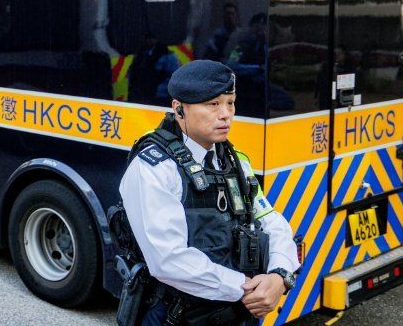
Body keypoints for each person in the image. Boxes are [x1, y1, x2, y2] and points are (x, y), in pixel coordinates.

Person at [119, 60, 300, 325]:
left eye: (231, 102)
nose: (226, 114)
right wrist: (245, 288)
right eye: (213, 104)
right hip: (177, 315)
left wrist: (279, 275)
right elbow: (167, 259)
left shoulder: (234, 161)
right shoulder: (154, 168)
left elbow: (270, 220)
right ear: (179, 109)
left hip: (236, 312)